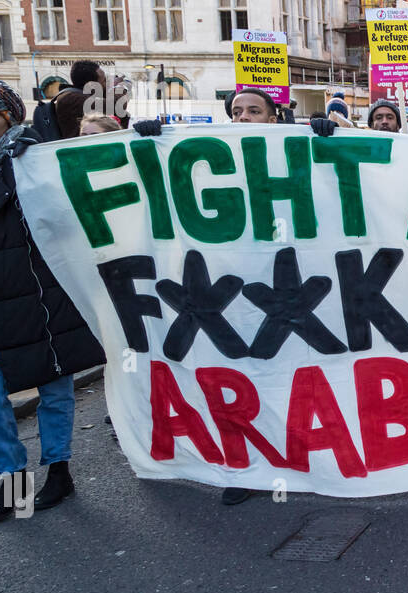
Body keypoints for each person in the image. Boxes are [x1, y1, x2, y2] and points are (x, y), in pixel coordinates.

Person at [135, 89, 336, 505]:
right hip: (227, 294)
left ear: (274, 119)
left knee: (286, 376)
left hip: (284, 292)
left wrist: (328, 140)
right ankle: (247, 467)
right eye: (236, 111)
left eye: (253, 111)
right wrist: (149, 147)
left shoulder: (293, 154)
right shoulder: (210, 165)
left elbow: (338, 192)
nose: (242, 117)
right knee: (236, 376)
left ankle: (301, 456)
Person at [0, 79, 105, 523]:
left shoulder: (38, 159)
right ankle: (11, 479)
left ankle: (58, 471)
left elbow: (84, 208)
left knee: (53, 387)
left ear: (10, 115)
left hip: (39, 298)